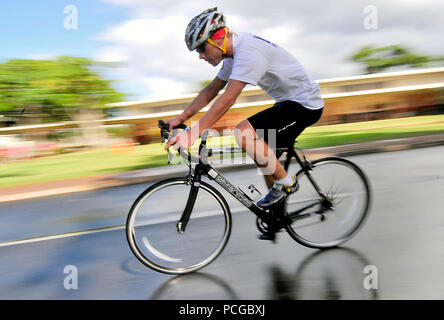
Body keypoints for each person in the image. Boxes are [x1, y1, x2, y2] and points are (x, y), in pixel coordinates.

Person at [165, 7, 324, 213]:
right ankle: (276, 214)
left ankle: (287, 183)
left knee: (243, 132)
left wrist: (192, 133)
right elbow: (212, 89)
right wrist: (182, 117)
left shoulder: (249, 52)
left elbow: (229, 98)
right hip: (287, 102)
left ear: (219, 38)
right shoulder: (233, 56)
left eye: (202, 49)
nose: (201, 56)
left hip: (305, 104)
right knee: (263, 152)